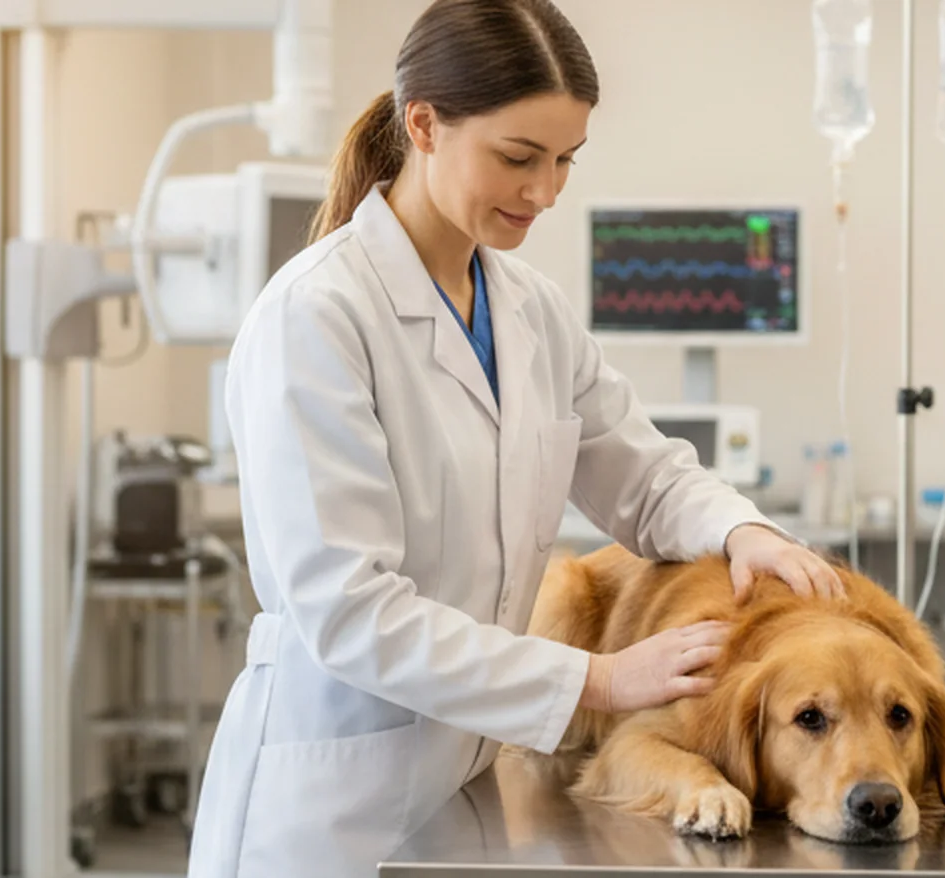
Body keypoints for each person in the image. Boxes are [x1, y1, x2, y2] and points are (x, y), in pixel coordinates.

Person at [186, 2, 843, 876]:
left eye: (566, 159)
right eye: (518, 157)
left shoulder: (528, 308)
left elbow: (640, 473)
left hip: (466, 776)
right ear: (421, 123)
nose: (545, 192)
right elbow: (349, 610)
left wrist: (740, 530)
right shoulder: (317, 315)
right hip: (334, 797)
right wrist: (598, 681)